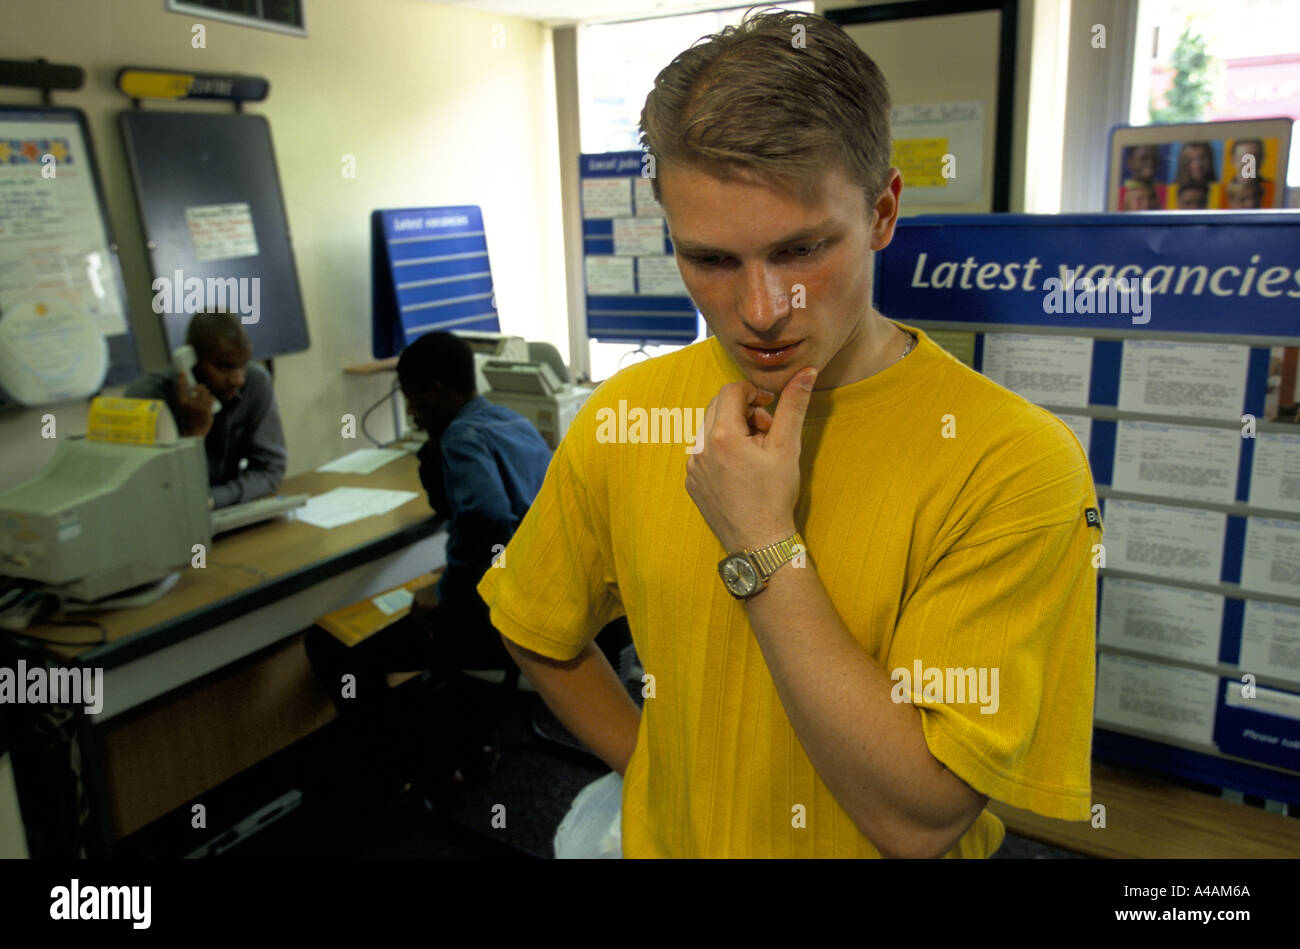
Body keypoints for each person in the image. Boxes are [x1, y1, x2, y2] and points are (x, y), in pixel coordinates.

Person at [479, 10, 1100, 858]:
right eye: (713, 260)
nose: (763, 311)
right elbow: (531, 622)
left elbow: (920, 817)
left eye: (802, 249)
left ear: (883, 211)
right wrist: (651, 760)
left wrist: (762, 541)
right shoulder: (628, 414)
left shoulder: (1013, 464)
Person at [304, 331, 553, 798]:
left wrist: (445, 593)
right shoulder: (511, 422)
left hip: (498, 623)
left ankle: (409, 771)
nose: (411, 409)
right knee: (412, 627)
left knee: (334, 646)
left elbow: (487, 515)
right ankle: (467, 742)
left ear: (438, 391)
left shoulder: (461, 436)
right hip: (539, 601)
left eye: (413, 397)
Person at [125, 311, 286, 509]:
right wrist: (194, 434)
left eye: (242, 365)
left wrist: (214, 499)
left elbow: (271, 469)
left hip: (223, 510)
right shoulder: (147, 398)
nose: (237, 379)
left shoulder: (255, 383)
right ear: (190, 359)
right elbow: (151, 493)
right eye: (224, 367)